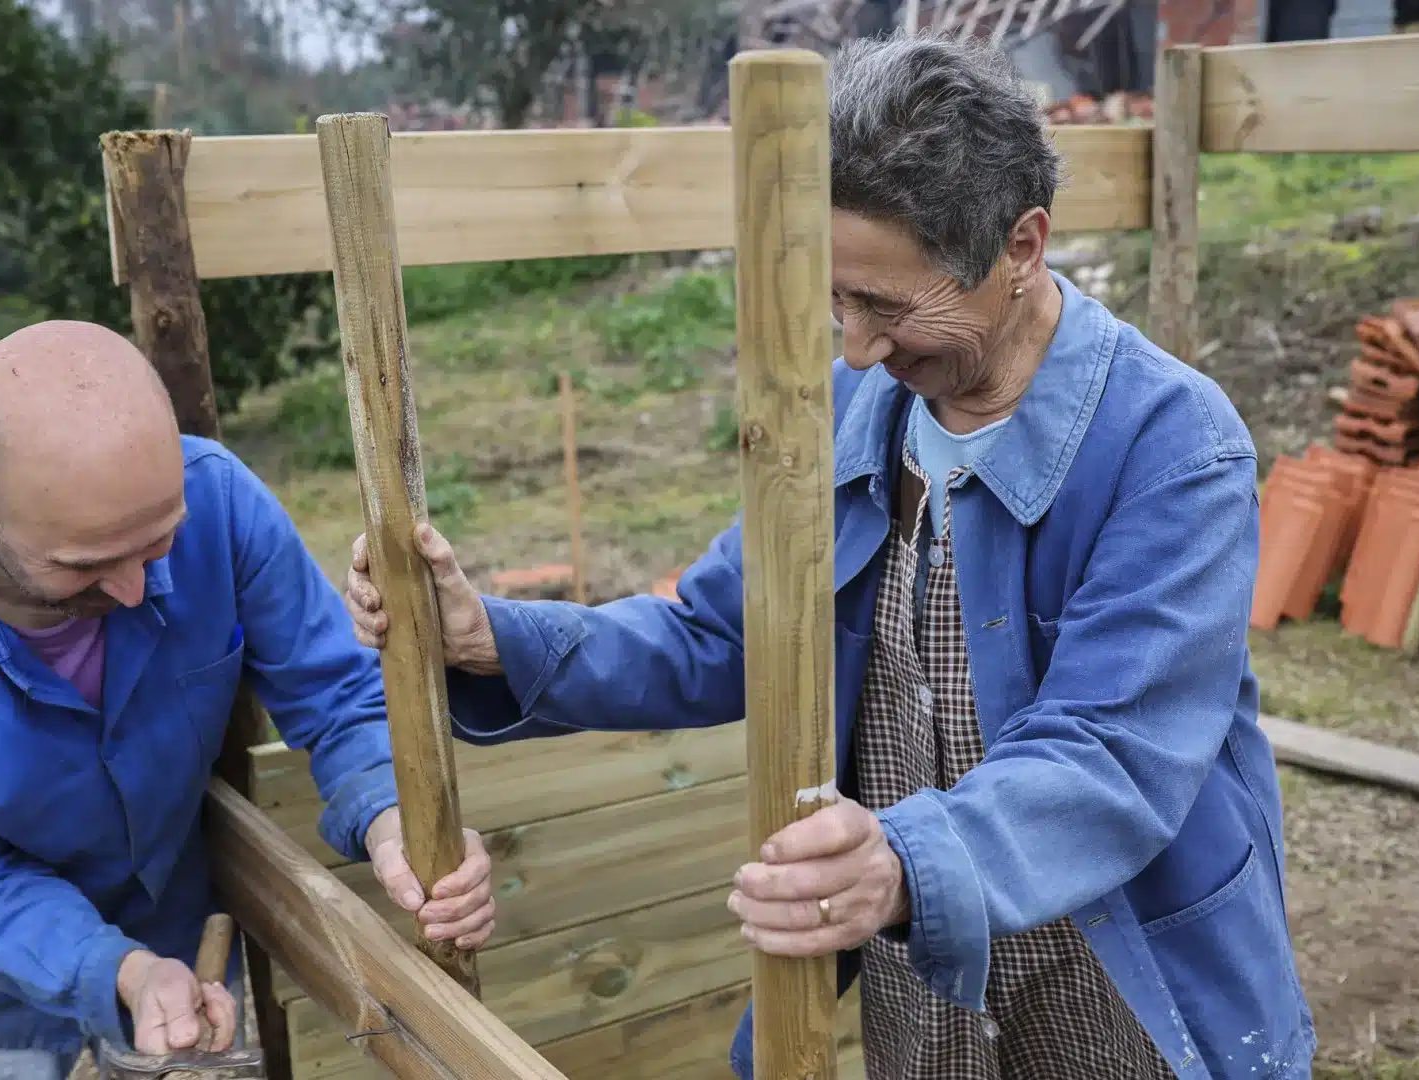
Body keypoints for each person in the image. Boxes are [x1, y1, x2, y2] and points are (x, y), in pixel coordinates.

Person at [340, 30, 1312, 1080]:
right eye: (837, 300)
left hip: (1121, 968)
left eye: (889, 306)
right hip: (926, 964)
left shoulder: (1170, 444)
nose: (855, 347)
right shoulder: (858, 406)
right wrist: (494, 639)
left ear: (1021, 247)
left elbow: (1111, 751)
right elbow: (722, 629)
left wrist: (901, 859)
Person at [0, 321, 497, 1080]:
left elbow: (337, 694)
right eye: (85, 565)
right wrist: (117, 971)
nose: (134, 589)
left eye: (160, 544)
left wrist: (391, 813)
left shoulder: (220, 502)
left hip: (180, 941)